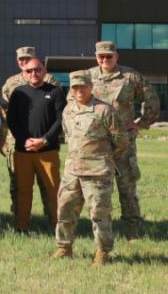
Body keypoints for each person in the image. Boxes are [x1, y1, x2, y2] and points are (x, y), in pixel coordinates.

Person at [53, 70, 128, 266]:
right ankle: (64, 247)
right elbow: (67, 135)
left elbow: (120, 140)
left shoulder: (104, 111)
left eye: (83, 86)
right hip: (73, 170)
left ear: (90, 86)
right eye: (75, 86)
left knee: (99, 213)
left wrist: (104, 159)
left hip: (97, 172)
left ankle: (103, 252)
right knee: (65, 209)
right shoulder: (68, 110)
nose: (79, 90)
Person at [87, 41, 160, 240]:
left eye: (109, 56)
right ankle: (101, 230)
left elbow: (151, 101)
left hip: (124, 144)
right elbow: (75, 102)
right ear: (96, 57)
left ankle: (132, 231)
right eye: (101, 56)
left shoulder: (130, 77)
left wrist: (141, 122)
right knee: (98, 189)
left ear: (116, 56)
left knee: (127, 187)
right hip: (97, 144)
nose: (105, 60)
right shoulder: (88, 77)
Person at [0, 46, 60, 219]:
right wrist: (7, 138)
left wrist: (45, 139)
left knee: (48, 184)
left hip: (45, 142)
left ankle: (52, 219)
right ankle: (19, 219)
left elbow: (56, 112)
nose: (25, 62)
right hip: (17, 141)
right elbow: (6, 112)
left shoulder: (50, 80)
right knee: (19, 184)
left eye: (28, 59)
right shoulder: (11, 83)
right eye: (21, 60)